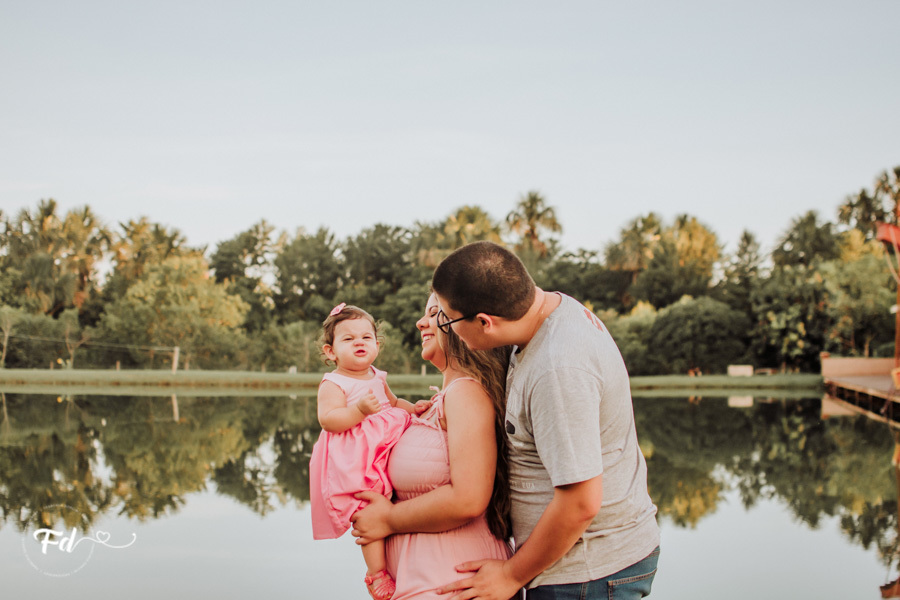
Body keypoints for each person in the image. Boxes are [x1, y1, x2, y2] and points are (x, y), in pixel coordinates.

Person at [430, 241, 660, 600]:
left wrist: (509, 575)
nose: (445, 327)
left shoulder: (558, 369)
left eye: (447, 318)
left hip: (587, 573)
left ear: (484, 322)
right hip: (586, 565)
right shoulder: (552, 310)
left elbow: (581, 502)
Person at [350, 293, 516, 599]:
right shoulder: (440, 400)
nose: (420, 322)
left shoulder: (466, 392)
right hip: (426, 579)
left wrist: (386, 519)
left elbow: (469, 498)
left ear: (463, 324)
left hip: (451, 579)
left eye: (434, 313)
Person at [309, 302, 431, 600]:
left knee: (394, 500)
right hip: (357, 459)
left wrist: (414, 409)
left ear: (377, 344)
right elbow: (329, 420)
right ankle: (376, 574)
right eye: (348, 339)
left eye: (365, 337)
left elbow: (394, 402)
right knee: (367, 509)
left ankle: (404, 561)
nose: (359, 342)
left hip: (384, 449)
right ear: (331, 351)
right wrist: (359, 410)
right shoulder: (334, 382)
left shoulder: (377, 376)